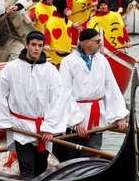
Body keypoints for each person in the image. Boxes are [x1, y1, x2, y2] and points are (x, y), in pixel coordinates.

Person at [0, 31, 70, 178]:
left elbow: (58, 99)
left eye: (40, 45)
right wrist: (4, 122)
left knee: (41, 167)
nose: (36, 49)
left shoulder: (50, 70)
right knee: (26, 167)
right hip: (20, 127)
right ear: (27, 45)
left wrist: (50, 127)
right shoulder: (11, 68)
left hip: (42, 129)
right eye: (33, 45)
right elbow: (0, 94)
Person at [55, 28, 128, 162]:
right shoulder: (69, 62)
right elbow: (65, 93)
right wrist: (77, 120)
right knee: (72, 157)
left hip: (96, 117)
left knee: (93, 155)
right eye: (98, 41)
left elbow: (111, 87)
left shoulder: (102, 60)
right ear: (87, 43)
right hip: (74, 119)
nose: (101, 44)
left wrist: (119, 116)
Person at [44, 0, 75, 67]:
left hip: (67, 48)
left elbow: (70, 27)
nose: (67, 9)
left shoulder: (65, 18)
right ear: (62, 9)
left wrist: (75, 26)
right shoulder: (52, 21)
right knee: (59, 67)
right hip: (57, 49)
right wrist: (47, 44)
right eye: (66, 8)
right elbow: (48, 33)